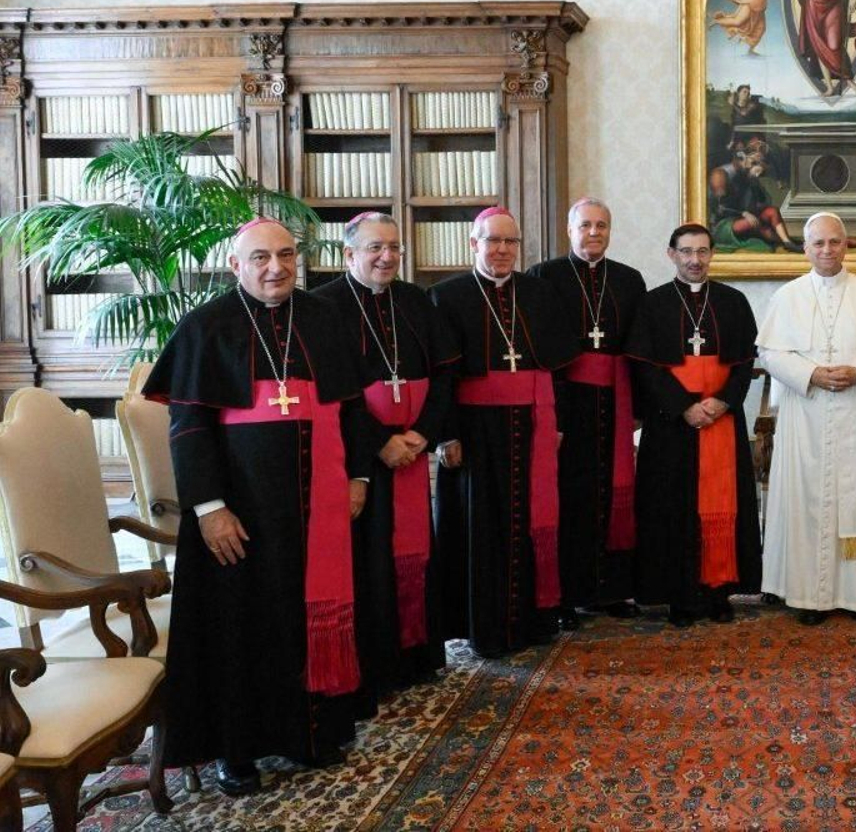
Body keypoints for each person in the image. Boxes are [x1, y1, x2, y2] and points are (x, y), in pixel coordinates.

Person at [142, 217, 379, 795]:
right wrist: (210, 508)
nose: (276, 268)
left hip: (320, 503)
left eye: (286, 255)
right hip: (243, 512)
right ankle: (237, 749)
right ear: (235, 266)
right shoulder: (205, 327)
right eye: (261, 258)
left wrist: (359, 475)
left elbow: (351, 410)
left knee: (310, 615)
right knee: (240, 625)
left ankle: (312, 732)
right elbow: (188, 425)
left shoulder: (325, 317)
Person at [312, 212, 456, 701]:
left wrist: (421, 434)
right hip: (358, 458)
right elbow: (337, 396)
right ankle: (375, 663)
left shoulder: (415, 300)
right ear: (349, 254)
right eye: (375, 248)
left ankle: (417, 655)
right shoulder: (322, 308)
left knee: (417, 550)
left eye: (394, 247)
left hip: (413, 449)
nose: (387, 257)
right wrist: (381, 442)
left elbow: (444, 376)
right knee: (367, 558)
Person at [431, 207, 580, 657]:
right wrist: (446, 435)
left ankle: (533, 619)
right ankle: (485, 628)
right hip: (475, 433)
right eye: (492, 241)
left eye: (509, 243)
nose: (501, 250)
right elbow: (440, 378)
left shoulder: (538, 294)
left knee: (531, 520)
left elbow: (558, 369)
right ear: (473, 244)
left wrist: (556, 424)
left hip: (532, 425)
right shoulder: (446, 296)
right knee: (483, 527)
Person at [756, 212, 856, 624]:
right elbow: (769, 353)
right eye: (818, 243)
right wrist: (811, 374)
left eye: (834, 242)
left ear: (846, 245)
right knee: (806, 502)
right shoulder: (786, 297)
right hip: (806, 414)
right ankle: (808, 597)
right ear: (805, 248)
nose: (826, 250)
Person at [626, 223, 762, 626]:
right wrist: (684, 406)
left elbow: (744, 364)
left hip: (720, 420)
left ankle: (718, 594)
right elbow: (646, 369)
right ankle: (679, 597)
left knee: (723, 506)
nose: (695, 260)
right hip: (671, 426)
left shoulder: (734, 302)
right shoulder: (653, 305)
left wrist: (720, 402)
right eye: (686, 252)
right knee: (671, 509)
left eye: (702, 251)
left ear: (712, 254)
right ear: (672, 255)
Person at [529, 198, 646, 627]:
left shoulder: (629, 280)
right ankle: (565, 596)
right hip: (567, 403)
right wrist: (554, 412)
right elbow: (541, 346)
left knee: (613, 494)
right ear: (569, 229)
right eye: (586, 225)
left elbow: (638, 346)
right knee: (568, 497)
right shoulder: (544, 276)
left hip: (614, 401)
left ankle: (611, 591)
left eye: (602, 226)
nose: (594, 233)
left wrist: (638, 407)